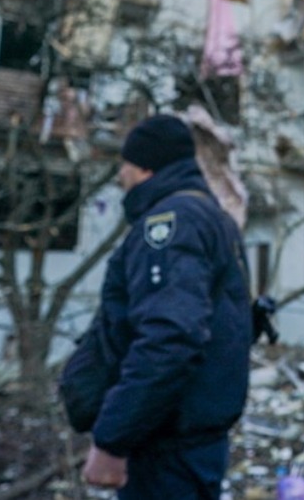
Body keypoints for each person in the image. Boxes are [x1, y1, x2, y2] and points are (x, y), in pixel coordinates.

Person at [61, 114, 252, 498]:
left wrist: (113, 440)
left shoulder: (171, 222)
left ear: (147, 167)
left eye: (126, 165)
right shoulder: (214, 219)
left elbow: (170, 339)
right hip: (190, 443)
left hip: (166, 452)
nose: (120, 176)